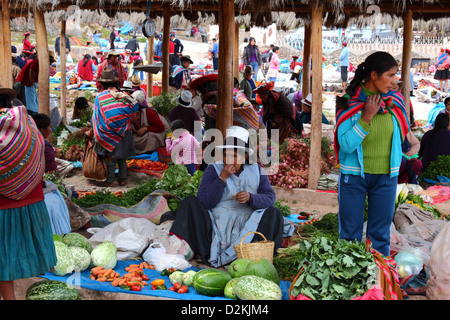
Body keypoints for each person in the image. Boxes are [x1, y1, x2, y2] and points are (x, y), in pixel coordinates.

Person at [164, 126, 294, 267]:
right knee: (190, 202)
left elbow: (270, 197)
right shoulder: (213, 169)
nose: (229, 159)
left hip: (250, 226)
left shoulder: (257, 169)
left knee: (273, 213)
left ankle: (255, 256)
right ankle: (203, 251)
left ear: (244, 156)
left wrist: (251, 198)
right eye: (226, 155)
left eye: (234, 155)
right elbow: (204, 201)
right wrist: (221, 179)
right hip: (216, 227)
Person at [334, 51, 410, 256]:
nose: (394, 81)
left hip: (386, 176)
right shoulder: (348, 104)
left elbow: (404, 130)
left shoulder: (394, 102)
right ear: (374, 75)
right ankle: (348, 280)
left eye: (395, 75)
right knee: (349, 234)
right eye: (390, 75)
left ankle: (379, 281)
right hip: (353, 177)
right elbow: (346, 146)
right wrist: (366, 116)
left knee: (380, 235)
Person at [0, 88, 56, 300]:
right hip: (31, 200)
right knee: (11, 256)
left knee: (3, 259)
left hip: (3, 206)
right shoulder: (29, 125)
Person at [91, 67, 143, 186]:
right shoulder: (123, 96)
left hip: (107, 132)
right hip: (124, 132)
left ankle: (110, 179)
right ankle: (122, 179)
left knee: (110, 157)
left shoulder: (100, 97)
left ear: (102, 84)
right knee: (122, 158)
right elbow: (133, 108)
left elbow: (97, 115)